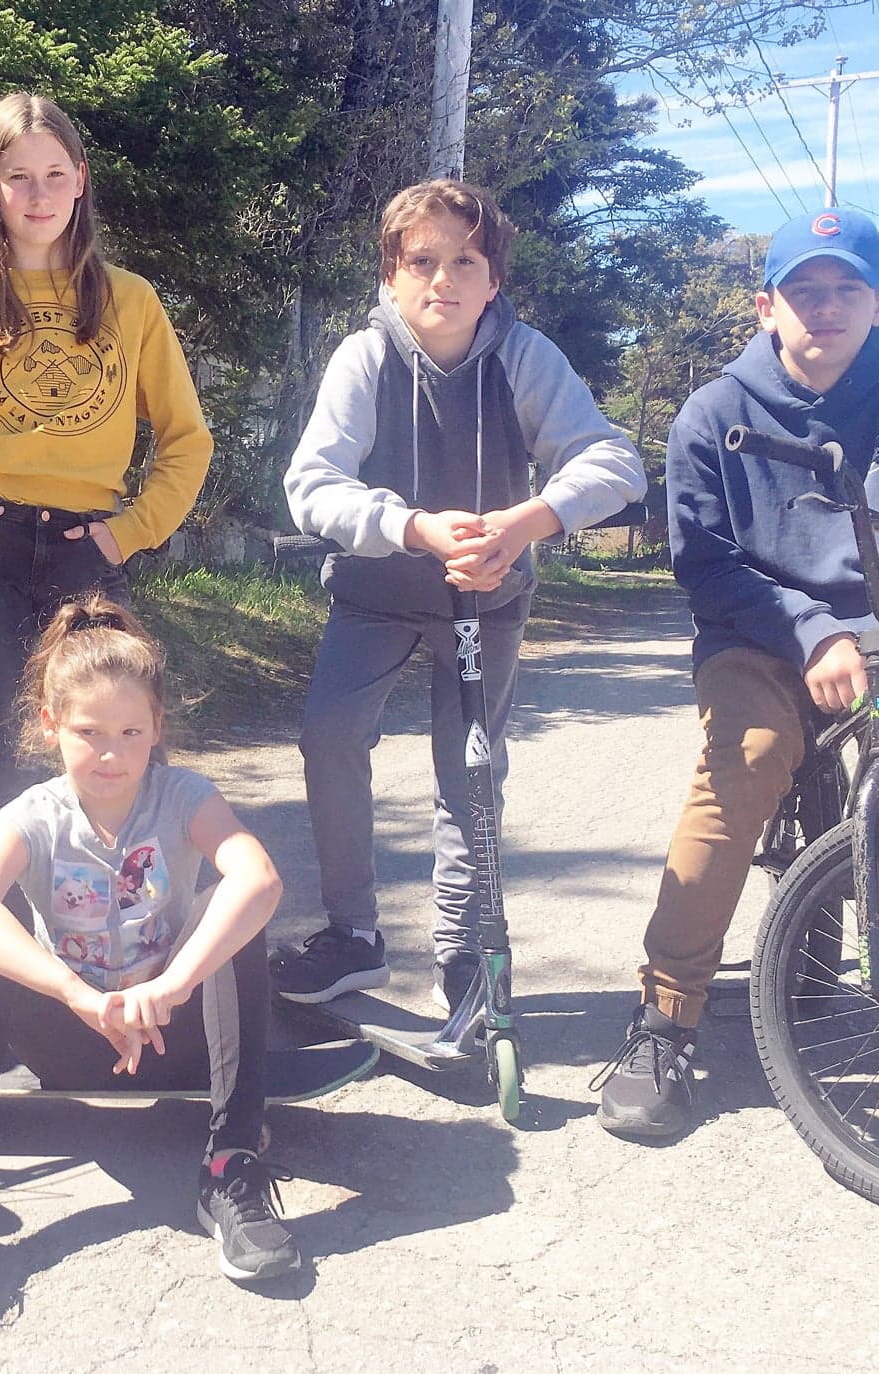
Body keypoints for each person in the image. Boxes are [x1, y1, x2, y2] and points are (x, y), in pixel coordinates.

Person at [593, 206, 879, 1142]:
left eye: (847, 288)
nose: (825, 307)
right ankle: (665, 1018)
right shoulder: (714, 412)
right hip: (761, 634)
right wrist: (810, 631)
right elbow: (704, 563)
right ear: (766, 305)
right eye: (803, 290)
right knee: (746, 762)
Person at [274, 179, 645, 1011]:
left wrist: (526, 522)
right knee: (329, 735)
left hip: (487, 598)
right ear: (390, 277)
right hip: (375, 590)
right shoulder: (364, 356)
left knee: (468, 770)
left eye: (464, 261)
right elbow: (311, 485)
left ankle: (464, 951)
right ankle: (353, 936)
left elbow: (614, 461)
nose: (443, 279)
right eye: (422, 261)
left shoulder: (525, 355)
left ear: (494, 281)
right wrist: (410, 527)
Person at [0, 596, 294, 1327]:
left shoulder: (184, 796)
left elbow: (259, 878)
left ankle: (231, 1166)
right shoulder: (33, 815)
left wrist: (173, 985)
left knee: (231, 914)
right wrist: (74, 992)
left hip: (177, 1037)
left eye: (130, 732)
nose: (110, 754)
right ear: (50, 726)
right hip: (70, 1038)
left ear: (157, 730)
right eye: (88, 732)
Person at [0, 92, 212, 817]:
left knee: (118, 758)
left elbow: (187, 440)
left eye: (54, 175)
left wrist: (129, 531)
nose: (38, 195)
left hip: (86, 549)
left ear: (82, 179)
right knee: (5, 770)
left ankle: (123, 929)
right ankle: (6, 932)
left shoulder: (133, 301)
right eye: (18, 177)